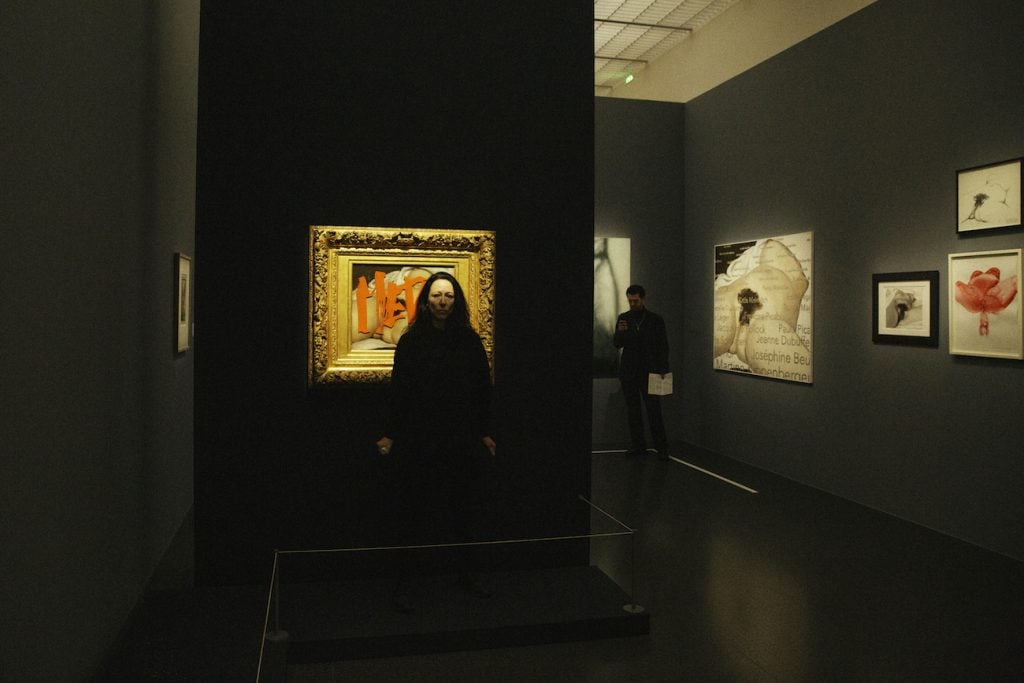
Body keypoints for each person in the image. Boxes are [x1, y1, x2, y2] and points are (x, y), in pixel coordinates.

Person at [375, 272, 496, 611]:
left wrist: (484, 431)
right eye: (437, 296)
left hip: (460, 438)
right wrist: (391, 433)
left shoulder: (470, 341)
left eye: (449, 296)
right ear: (426, 301)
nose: (443, 302)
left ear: (456, 302)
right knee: (413, 513)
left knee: (464, 511)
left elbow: (481, 391)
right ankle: (406, 582)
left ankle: (467, 576)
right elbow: (399, 392)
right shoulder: (412, 342)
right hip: (420, 438)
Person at [613, 284, 670, 460]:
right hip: (629, 373)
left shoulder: (655, 320)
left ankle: (661, 448)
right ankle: (639, 446)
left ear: (643, 298)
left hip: (650, 372)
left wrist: (663, 369)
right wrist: (621, 332)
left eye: (635, 300)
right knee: (633, 411)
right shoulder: (624, 318)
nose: (632, 304)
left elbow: (663, 346)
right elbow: (617, 344)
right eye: (630, 301)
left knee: (654, 411)